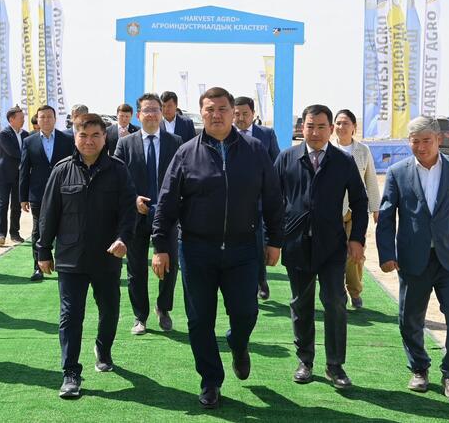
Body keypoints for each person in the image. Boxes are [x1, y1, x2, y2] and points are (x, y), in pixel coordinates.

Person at [152, 87, 284, 409]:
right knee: (200, 320)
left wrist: (275, 240)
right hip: (196, 250)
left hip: (243, 249)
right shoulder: (186, 153)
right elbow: (167, 202)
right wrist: (160, 245)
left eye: (222, 109)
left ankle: (238, 344)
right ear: (201, 113)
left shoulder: (254, 150)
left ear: (232, 112)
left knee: (246, 312)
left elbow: (272, 197)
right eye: (209, 109)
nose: (216, 115)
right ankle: (210, 380)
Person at [376, 116, 449, 403]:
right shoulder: (398, 172)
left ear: (439, 139)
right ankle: (419, 369)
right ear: (408, 142)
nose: (421, 147)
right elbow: (386, 217)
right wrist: (387, 254)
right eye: (415, 141)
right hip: (413, 258)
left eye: (426, 141)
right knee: (410, 317)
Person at [37, 113, 136, 399]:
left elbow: (128, 211)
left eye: (95, 135)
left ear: (105, 138)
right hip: (71, 258)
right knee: (70, 315)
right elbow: (48, 213)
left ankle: (103, 349)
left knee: (110, 310)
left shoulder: (118, 170)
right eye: (83, 135)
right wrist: (43, 249)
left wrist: (123, 239)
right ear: (75, 138)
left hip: (107, 256)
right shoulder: (61, 170)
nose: (89, 141)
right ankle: (70, 372)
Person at [274, 104, 368, 389]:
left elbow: (359, 201)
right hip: (296, 244)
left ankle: (335, 365)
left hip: (332, 246)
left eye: (321, 127)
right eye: (310, 126)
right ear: (301, 128)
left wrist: (357, 239)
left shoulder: (342, 161)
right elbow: (271, 201)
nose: (315, 132)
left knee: (335, 302)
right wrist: (273, 240)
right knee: (301, 304)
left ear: (330, 129)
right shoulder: (287, 158)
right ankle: (305, 361)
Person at [114, 93, 182, 335]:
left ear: (161, 113)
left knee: (169, 266)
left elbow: (182, 177)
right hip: (136, 216)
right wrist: (133, 200)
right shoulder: (125, 143)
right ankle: (140, 316)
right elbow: (117, 178)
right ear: (138, 115)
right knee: (136, 269)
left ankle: (163, 308)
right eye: (147, 110)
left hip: (166, 216)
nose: (151, 114)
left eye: (156, 109)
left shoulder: (175, 142)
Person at [330, 109, 381, 309]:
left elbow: (371, 180)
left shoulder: (363, 151)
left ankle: (355, 291)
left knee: (355, 254)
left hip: (356, 212)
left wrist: (376, 208)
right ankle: (337, 292)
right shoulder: (327, 149)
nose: (341, 127)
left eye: (346, 123)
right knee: (334, 255)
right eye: (338, 123)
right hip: (332, 212)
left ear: (354, 127)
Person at [233, 96, 280, 300]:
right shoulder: (226, 135)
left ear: (253, 114)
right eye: (236, 114)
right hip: (232, 201)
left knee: (258, 243)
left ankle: (261, 280)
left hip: (260, 201)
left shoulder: (266, 134)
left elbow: (276, 163)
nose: (241, 118)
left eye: (245, 114)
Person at [19, 105, 74, 281]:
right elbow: (24, 170)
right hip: (38, 194)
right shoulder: (29, 141)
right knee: (38, 229)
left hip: (64, 192)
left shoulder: (67, 139)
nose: (46, 120)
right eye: (42, 117)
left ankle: (65, 264)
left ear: (55, 119)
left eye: (49, 117)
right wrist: (23, 197)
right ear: (37, 120)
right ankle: (38, 267)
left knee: (66, 227)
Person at [0, 106, 28, 246]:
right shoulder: (4, 134)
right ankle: (1, 234)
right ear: (12, 119)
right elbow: (12, 152)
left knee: (16, 205)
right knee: (3, 204)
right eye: (21, 118)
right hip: (4, 174)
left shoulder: (26, 134)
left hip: (19, 175)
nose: (23, 120)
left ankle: (15, 233)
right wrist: (27, 157)